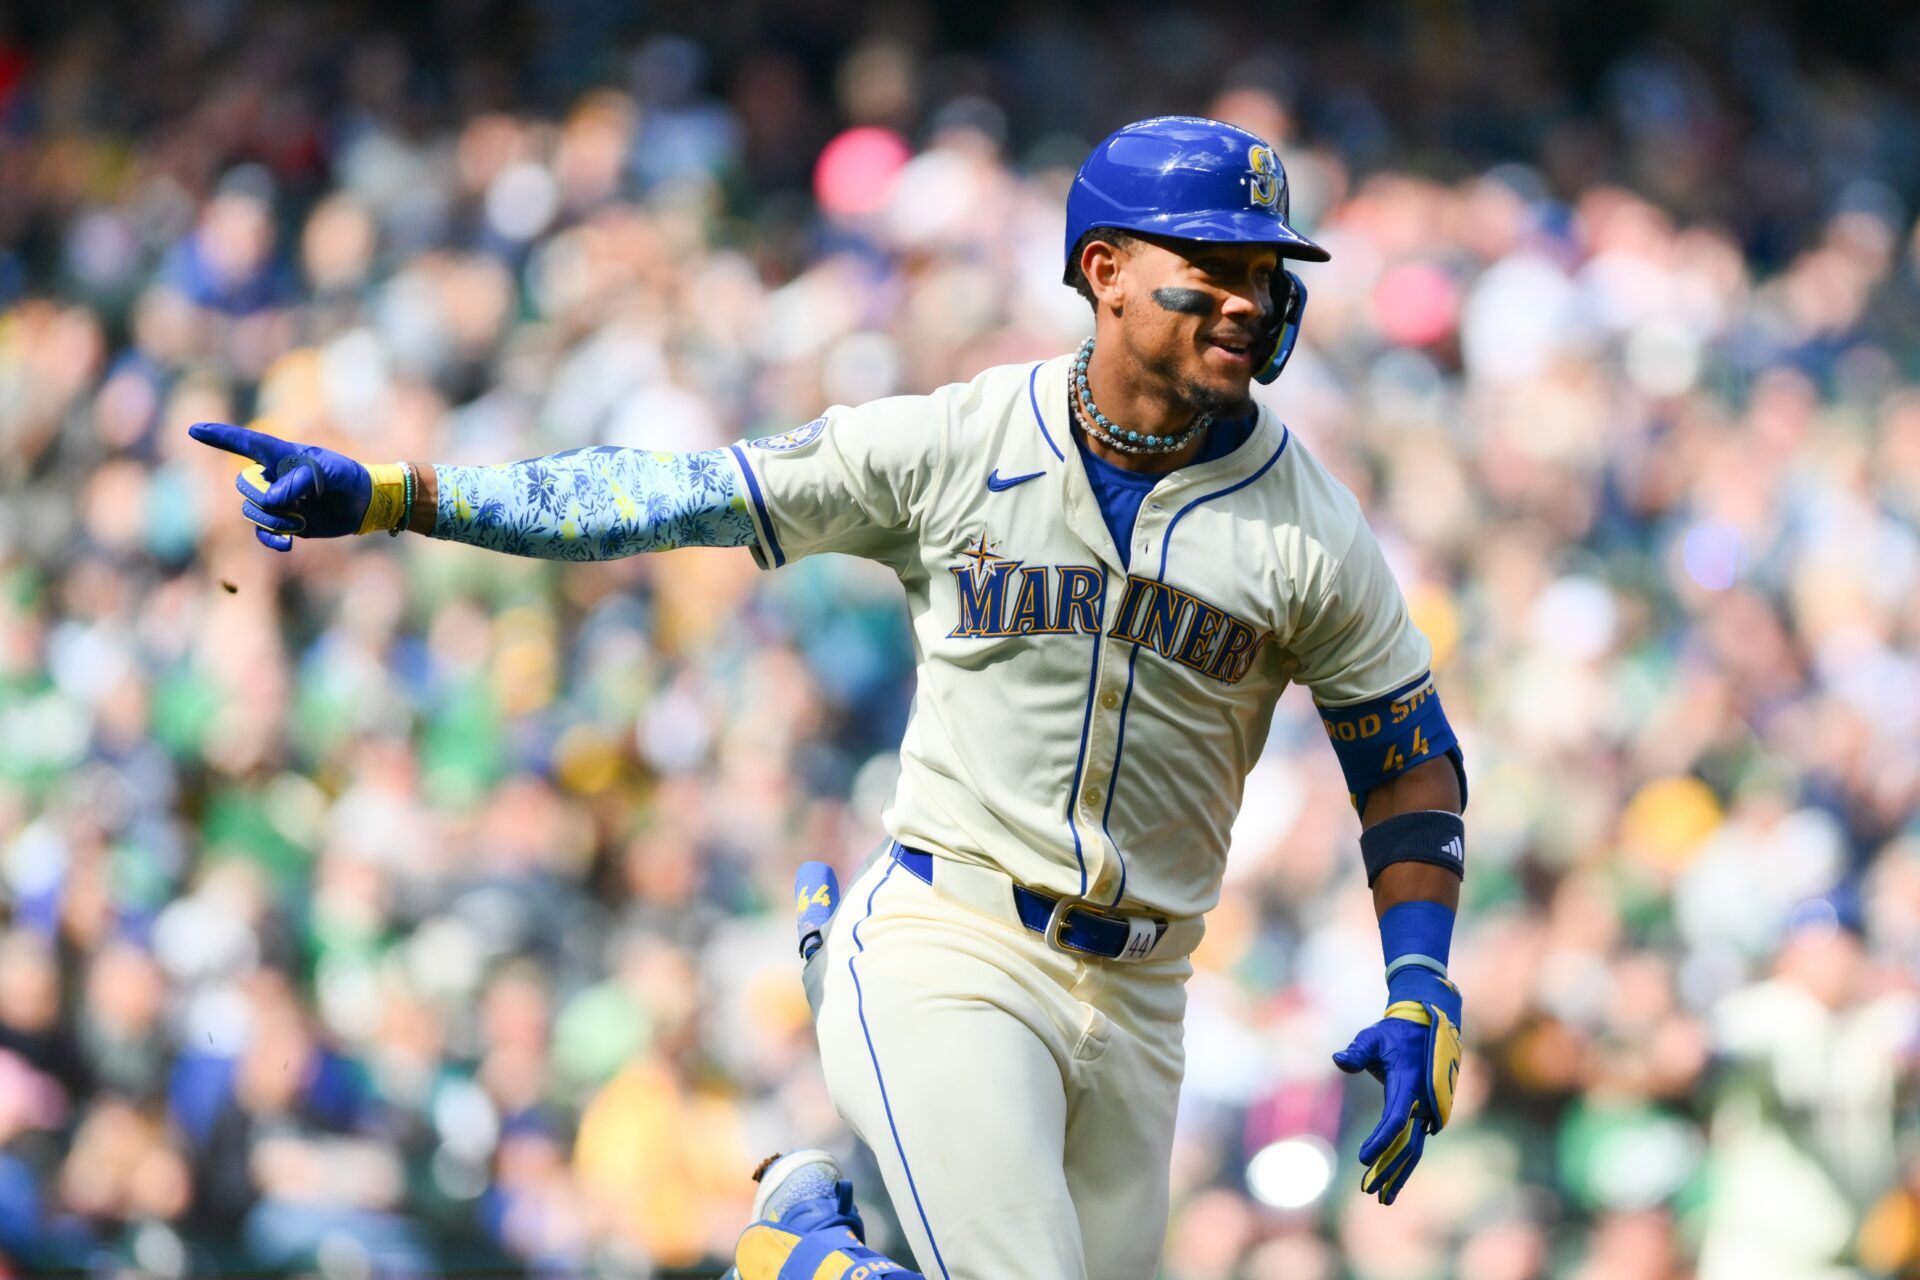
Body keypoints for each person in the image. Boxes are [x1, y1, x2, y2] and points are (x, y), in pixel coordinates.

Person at [190, 116, 1469, 1280]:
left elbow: (1406, 758)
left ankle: (807, 1255)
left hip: (1146, 997)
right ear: (1106, 270)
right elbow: (665, 494)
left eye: (1267, 272)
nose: (1251, 300)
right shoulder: (955, 443)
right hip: (953, 937)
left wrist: (1419, 983)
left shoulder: (1312, 525)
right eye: (1218, 264)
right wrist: (399, 492)